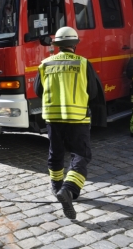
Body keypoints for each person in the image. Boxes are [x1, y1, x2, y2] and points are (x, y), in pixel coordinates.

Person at [34, 27, 104, 220]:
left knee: (55, 152)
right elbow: (94, 91)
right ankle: (68, 189)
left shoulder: (45, 64)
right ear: (74, 45)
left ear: (56, 45)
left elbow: (38, 90)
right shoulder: (82, 63)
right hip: (77, 117)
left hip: (53, 117)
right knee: (81, 154)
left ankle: (56, 187)